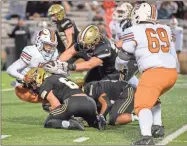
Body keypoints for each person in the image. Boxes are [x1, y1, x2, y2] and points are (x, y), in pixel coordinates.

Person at [115, 3, 178, 145]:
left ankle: (146, 137)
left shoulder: (133, 30)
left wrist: (118, 66)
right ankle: (157, 126)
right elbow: (173, 54)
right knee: (152, 97)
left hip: (154, 73)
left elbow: (124, 55)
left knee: (142, 104)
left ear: (138, 14)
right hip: (171, 72)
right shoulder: (165, 29)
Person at [26, 67, 106, 130]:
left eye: (32, 83)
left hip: (74, 103)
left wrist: (52, 110)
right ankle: (97, 120)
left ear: (38, 77)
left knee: (49, 122)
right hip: (90, 103)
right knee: (92, 122)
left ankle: (71, 124)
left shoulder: (45, 84)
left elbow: (56, 105)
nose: (32, 86)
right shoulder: (59, 77)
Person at [44, 25, 120, 84]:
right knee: (87, 85)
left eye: (86, 45)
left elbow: (89, 65)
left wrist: (68, 66)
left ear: (95, 41)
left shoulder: (104, 48)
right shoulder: (87, 41)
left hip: (114, 73)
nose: (83, 47)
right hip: (100, 68)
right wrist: (57, 63)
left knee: (99, 92)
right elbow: (70, 52)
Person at [6, 28, 59, 103]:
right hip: (24, 87)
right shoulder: (31, 51)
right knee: (53, 98)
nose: (50, 48)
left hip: (39, 84)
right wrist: (24, 78)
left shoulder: (54, 53)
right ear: (39, 42)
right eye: (47, 44)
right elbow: (10, 70)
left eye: (52, 45)